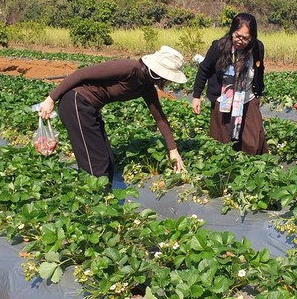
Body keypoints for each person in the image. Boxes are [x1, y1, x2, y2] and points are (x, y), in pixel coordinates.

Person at [37, 46, 187, 185]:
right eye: (168, 78)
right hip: (76, 104)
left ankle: (103, 197)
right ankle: (92, 204)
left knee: (108, 160)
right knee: (95, 164)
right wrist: (50, 99)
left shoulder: (146, 87)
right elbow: (81, 74)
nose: (168, 82)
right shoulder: (128, 68)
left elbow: (160, 118)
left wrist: (173, 150)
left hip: (90, 109)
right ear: (159, 73)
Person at [191, 13, 267, 155]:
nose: (240, 41)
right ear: (232, 31)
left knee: (253, 141)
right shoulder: (219, 47)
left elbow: (259, 70)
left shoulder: (257, 48)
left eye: (246, 38)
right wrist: (196, 96)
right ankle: (227, 170)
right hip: (223, 100)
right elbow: (204, 69)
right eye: (237, 36)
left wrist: (259, 94)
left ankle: (251, 168)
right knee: (223, 142)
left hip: (247, 97)